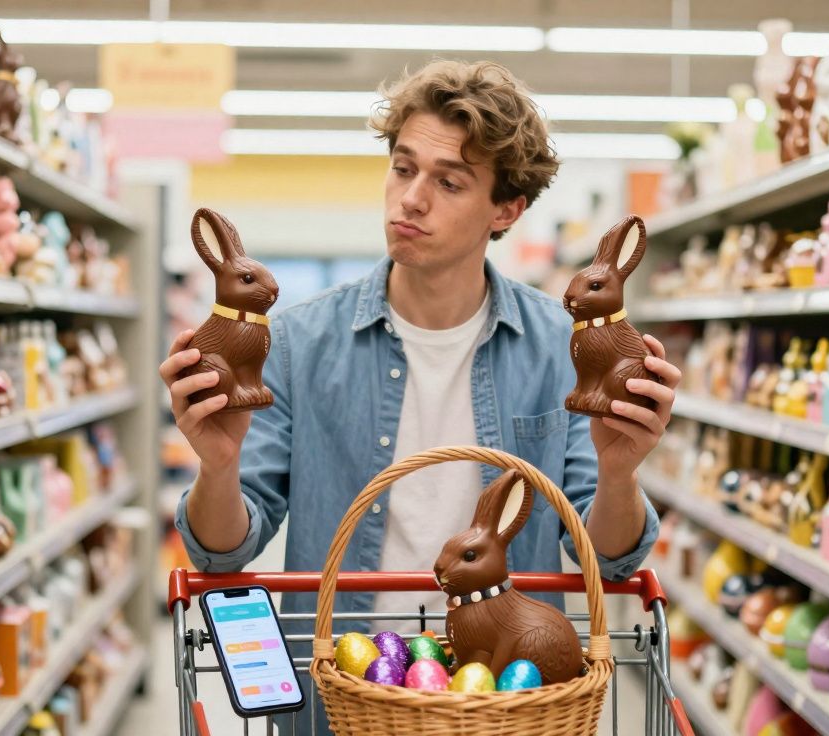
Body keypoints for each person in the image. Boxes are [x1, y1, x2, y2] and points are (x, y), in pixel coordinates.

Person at [161, 59, 680, 733]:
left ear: (507, 209)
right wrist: (219, 465)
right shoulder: (296, 342)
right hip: (341, 704)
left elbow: (610, 557)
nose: (410, 198)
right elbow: (222, 552)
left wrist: (619, 472)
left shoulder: (562, 348)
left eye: (448, 181)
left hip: (503, 706)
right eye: (403, 168)